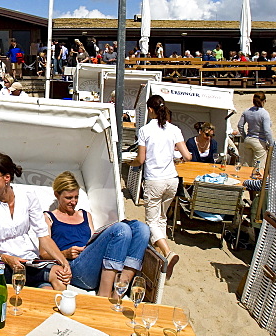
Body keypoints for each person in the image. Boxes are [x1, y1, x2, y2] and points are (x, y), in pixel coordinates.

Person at [0, 152, 72, 289]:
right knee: (54, 275)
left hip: (28, 260)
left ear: (7, 177)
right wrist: (5, 258)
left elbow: (43, 236)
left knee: (56, 279)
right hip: (1, 263)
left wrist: (63, 261)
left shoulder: (28, 197)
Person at [44, 171, 150, 296]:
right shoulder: (49, 217)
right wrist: (65, 253)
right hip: (74, 267)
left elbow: (93, 243)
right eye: (68, 198)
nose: (73, 202)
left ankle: (118, 290)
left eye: (76, 197)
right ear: (57, 195)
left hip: (94, 262)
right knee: (121, 229)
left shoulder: (84, 214)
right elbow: (43, 253)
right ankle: (104, 295)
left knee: (141, 228)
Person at [128, 95, 191, 278]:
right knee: (161, 219)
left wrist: (129, 164)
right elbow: (187, 156)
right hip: (172, 179)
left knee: (152, 222)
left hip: (154, 179)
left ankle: (167, 252)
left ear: (150, 110)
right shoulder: (174, 129)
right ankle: (161, 260)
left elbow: (141, 159)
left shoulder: (145, 130)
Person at [237, 91, 273, 169]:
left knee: (246, 164)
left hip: (248, 139)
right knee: (258, 166)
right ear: (264, 101)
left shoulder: (246, 111)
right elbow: (267, 130)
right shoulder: (264, 113)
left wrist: (244, 136)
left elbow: (240, 125)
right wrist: (271, 143)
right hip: (259, 141)